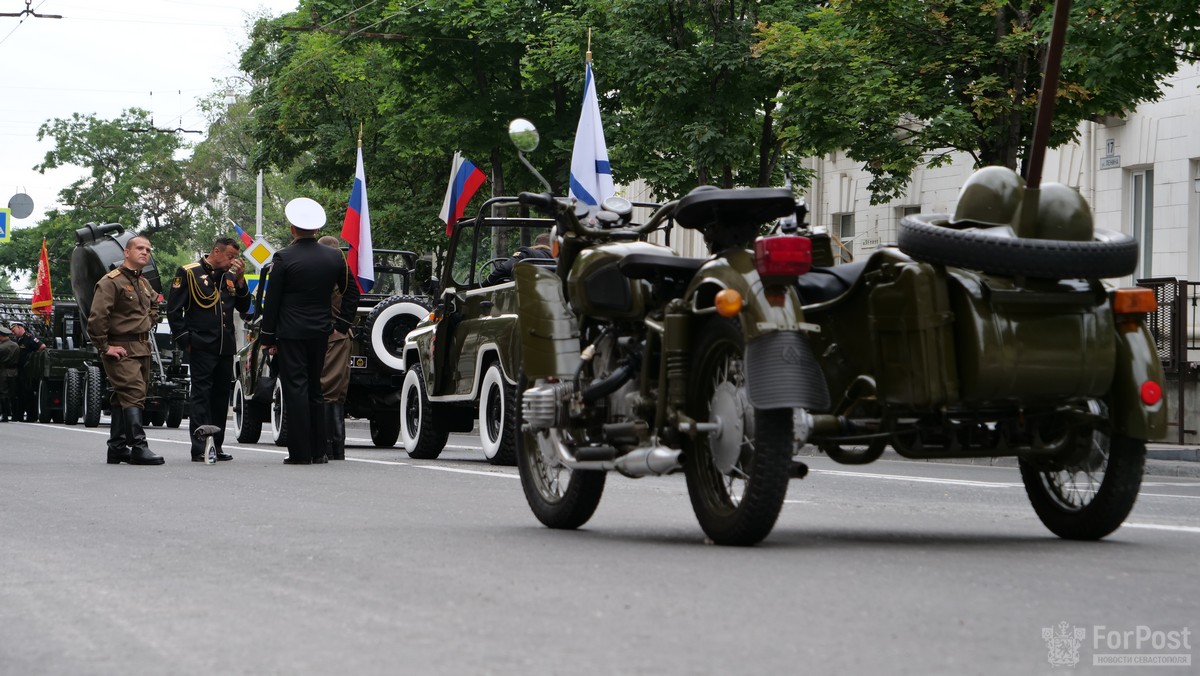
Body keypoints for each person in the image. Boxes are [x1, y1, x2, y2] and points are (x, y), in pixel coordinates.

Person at [259, 198, 356, 465]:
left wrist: (267, 337)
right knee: (316, 389)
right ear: (316, 229)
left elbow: (273, 302)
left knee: (296, 389)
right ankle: (319, 451)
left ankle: (300, 453)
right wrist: (341, 325)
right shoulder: (335, 256)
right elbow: (352, 293)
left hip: (290, 333)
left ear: (292, 229)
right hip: (321, 332)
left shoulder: (283, 257)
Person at [167, 237, 251, 462]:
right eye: (229, 256)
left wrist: (241, 281)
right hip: (201, 345)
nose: (232, 261)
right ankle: (200, 446)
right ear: (216, 251)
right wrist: (187, 341)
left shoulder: (231, 276)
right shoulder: (189, 272)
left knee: (220, 397)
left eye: (235, 257)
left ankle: (217, 445)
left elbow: (244, 308)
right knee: (202, 395)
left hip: (225, 346)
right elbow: (174, 311)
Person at [87, 234, 164, 465]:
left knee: (123, 396)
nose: (145, 252)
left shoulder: (142, 282)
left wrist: (148, 321)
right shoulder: (111, 281)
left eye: (148, 250)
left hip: (142, 346)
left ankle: (118, 448)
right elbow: (97, 317)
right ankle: (139, 447)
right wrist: (105, 347)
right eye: (140, 248)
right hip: (121, 346)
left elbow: (154, 305)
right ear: (126, 253)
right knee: (133, 392)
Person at [317, 235, 359, 461]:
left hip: (334, 336)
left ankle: (330, 447)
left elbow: (352, 296)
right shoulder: (334, 270)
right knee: (332, 392)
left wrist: (341, 327)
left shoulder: (335, 271)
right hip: (335, 335)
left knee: (330, 391)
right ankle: (331, 448)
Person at [9, 320, 45, 422]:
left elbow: (42, 346)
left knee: (27, 394)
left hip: (27, 370)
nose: (12, 332)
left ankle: (31, 416)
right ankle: (18, 416)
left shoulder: (29, 338)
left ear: (20, 327)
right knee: (19, 393)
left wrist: (32, 357)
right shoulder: (18, 340)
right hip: (19, 370)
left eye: (13, 330)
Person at [484, 232, 553, 284]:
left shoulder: (527, 253)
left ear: (536, 244)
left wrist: (486, 284)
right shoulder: (559, 260)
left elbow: (505, 268)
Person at [0, 325, 19, 422]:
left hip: (3, 371)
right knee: (13, 394)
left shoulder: (1, 347)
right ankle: (15, 415)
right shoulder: (16, 346)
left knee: (3, 394)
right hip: (14, 371)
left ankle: (5, 415)